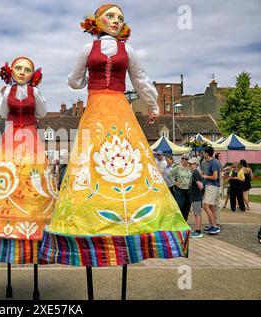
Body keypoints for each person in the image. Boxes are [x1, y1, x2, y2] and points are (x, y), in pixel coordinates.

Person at [40, 3, 190, 268]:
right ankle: (93, 216)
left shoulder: (127, 50)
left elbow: (141, 80)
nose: (116, 21)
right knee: (93, 160)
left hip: (115, 105)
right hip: (99, 107)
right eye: (110, 16)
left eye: (120, 18)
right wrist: (84, 80)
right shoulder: (88, 49)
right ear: (96, 22)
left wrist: (154, 105)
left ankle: (128, 216)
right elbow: (74, 81)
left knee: (125, 157)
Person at [0, 57, 58, 265]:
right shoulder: (8, 91)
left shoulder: (35, 92)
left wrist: (37, 94)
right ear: (11, 71)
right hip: (11, 137)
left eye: (27, 69)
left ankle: (33, 218)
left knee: (30, 176)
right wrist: (3, 94)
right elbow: (2, 113)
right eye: (18, 68)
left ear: (33, 74)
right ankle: (7, 219)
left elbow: (42, 112)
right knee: (9, 174)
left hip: (30, 136)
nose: (22, 72)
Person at [202, 146, 221, 234]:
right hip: (209, 186)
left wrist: (205, 176)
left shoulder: (214, 162)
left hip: (212, 186)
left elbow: (215, 177)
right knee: (211, 206)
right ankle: (212, 224)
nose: (203, 154)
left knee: (205, 206)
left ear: (206, 153)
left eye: (204, 152)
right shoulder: (207, 162)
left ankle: (214, 226)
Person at [168, 154, 192, 221]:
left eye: (186, 159)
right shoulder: (178, 167)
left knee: (187, 207)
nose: (184, 160)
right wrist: (174, 182)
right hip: (180, 191)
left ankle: (185, 222)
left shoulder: (190, 168)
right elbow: (169, 174)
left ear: (188, 160)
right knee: (180, 207)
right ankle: (179, 222)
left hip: (188, 191)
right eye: (183, 158)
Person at [188, 157, 204, 238]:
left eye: (191, 164)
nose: (189, 165)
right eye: (189, 164)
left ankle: (198, 231)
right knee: (196, 213)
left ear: (195, 164)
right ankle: (198, 230)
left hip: (196, 196)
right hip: (195, 196)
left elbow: (201, 186)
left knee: (197, 214)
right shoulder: (195, 172)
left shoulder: (195, 173)